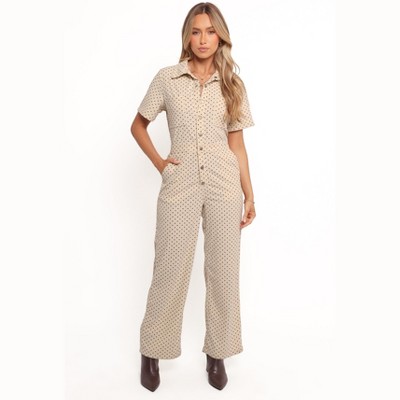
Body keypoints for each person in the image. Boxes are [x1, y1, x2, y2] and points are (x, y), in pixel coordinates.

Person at [130, 2, 256, 392]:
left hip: (224, 185)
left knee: (224, 271)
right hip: (180, 183)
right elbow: (138, 125)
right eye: (196, 31)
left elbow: (237, 145)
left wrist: (249, 195)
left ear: (221, 37)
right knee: (170, 268)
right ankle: (151, 351)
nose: (203, 39)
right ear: (187, 36)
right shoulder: (167, 78)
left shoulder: (232, 84)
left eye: (210, 31)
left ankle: (217, 353)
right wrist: (161, 164)